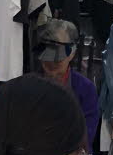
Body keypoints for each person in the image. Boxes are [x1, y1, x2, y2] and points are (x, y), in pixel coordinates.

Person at [35, 19, 101, 148]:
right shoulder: (28, 86)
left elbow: (86, 137)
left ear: (72, 53)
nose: (51, 61)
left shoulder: (86, 89)